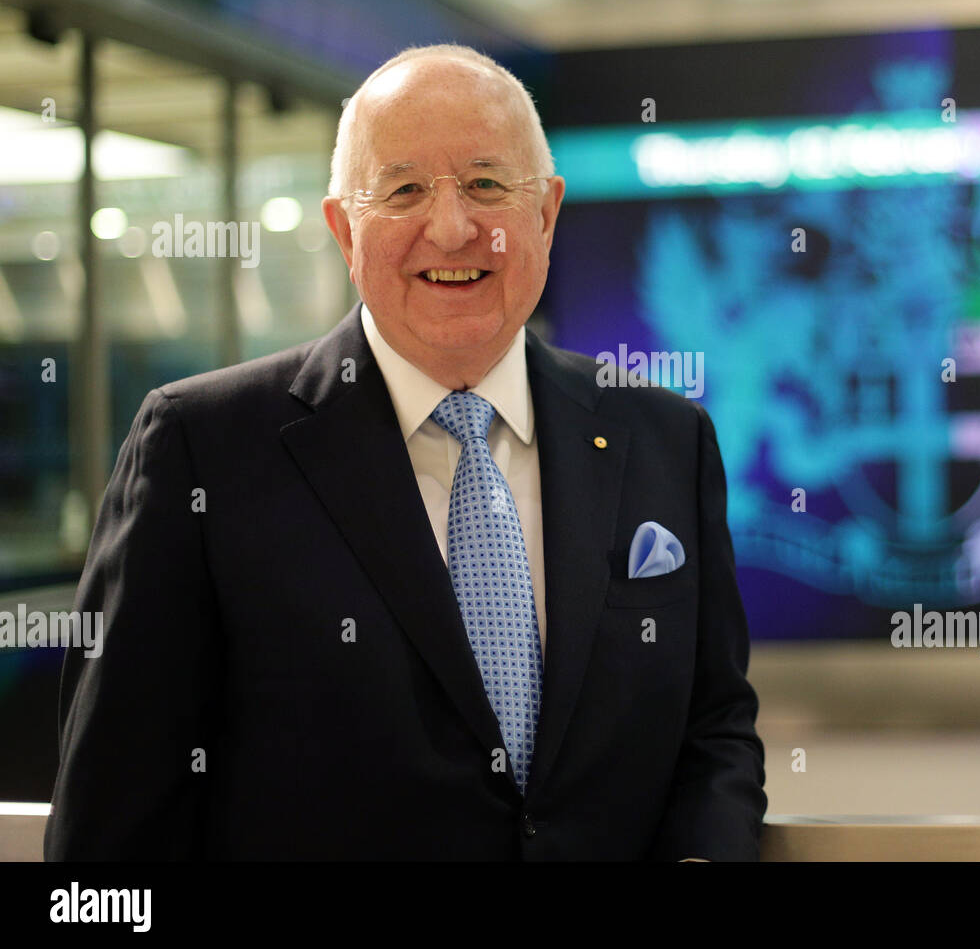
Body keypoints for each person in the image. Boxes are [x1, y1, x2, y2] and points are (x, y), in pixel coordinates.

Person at [44, 44, 767, 861]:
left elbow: (714, 729)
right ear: (343, 230)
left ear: (546, 215)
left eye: (488, 184)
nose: (452, 228)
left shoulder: (665, 438)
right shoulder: (202, 449)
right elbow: (113, 822)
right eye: (404, 190)